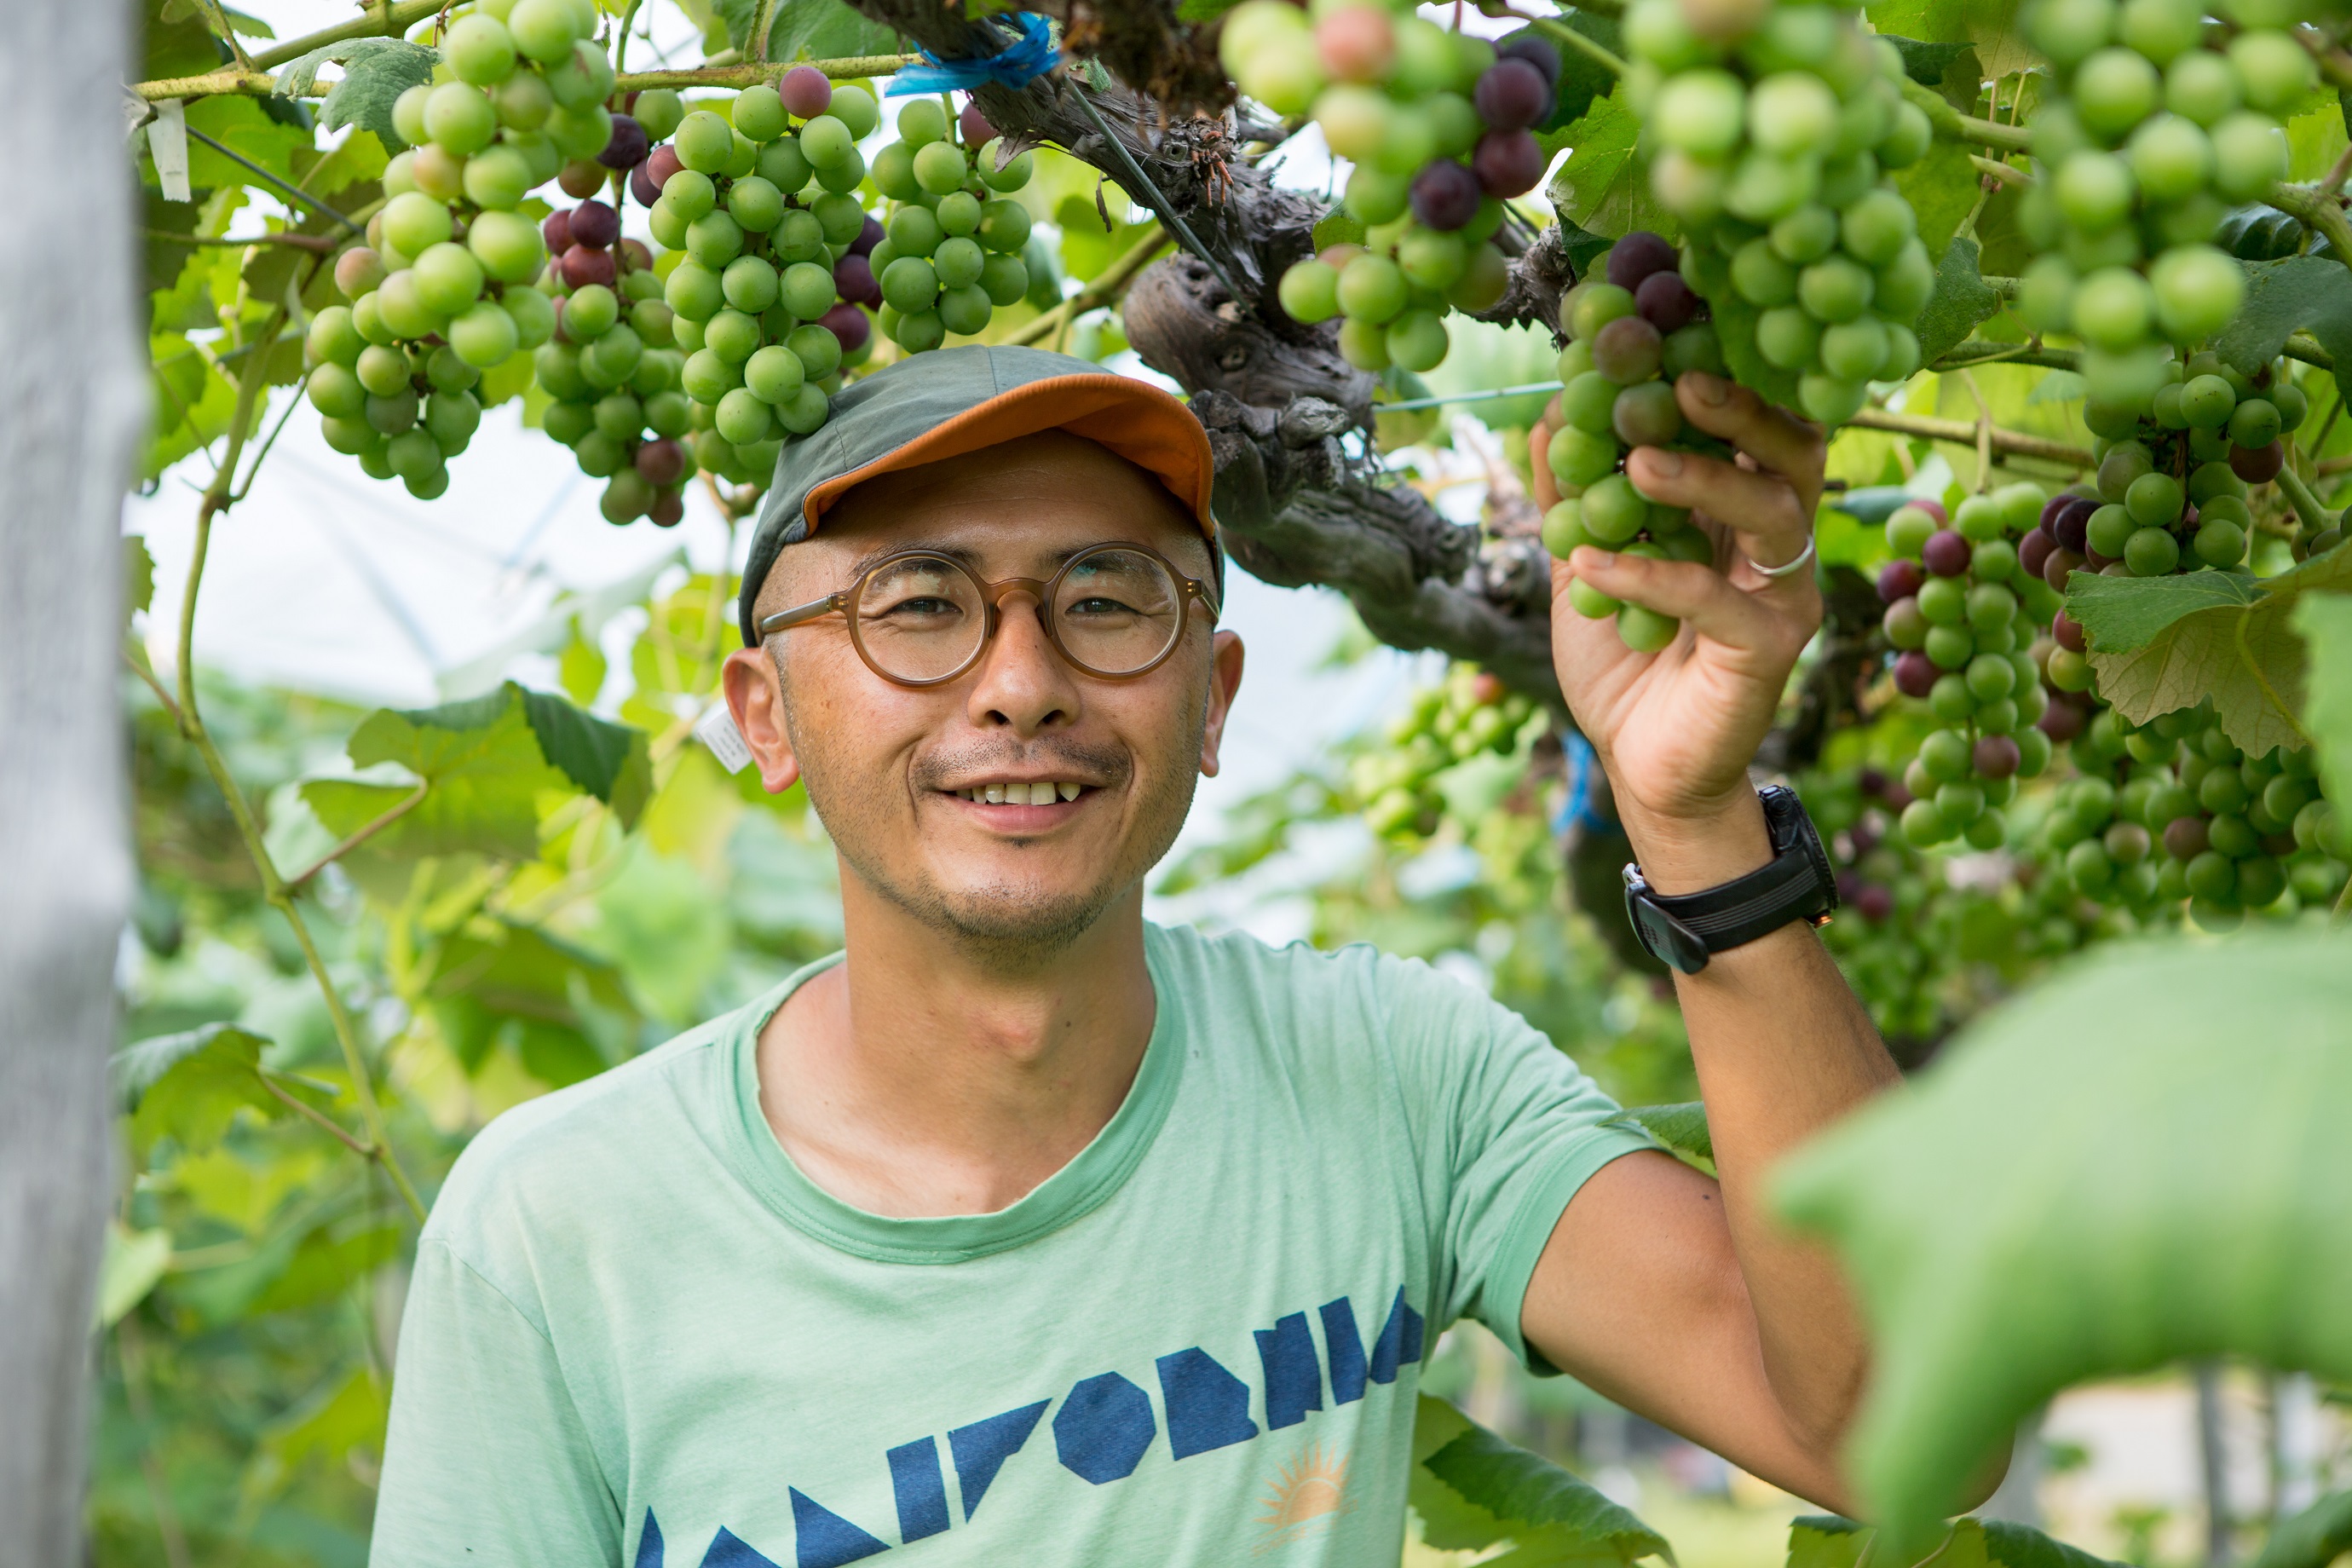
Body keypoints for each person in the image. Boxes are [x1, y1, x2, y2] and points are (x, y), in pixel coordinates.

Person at [371, 345, 1905, 1567]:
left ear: (1216, 697)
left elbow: (1891, 1430)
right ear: (766, 714)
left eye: (1107, 601)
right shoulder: (555, 1231)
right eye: (920, 605)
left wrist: (1693, 820)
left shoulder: (1395, 1083)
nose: (1023, 685)